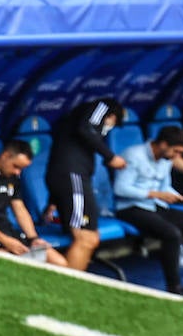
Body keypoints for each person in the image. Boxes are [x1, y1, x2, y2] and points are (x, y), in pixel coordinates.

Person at [113, 127, 183, 296]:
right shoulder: (134, 155)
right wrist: (156, 194)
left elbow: (165, 187)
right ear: (164, 144)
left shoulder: (166, 159)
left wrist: (181, 197)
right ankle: (175, 289)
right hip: (130, 207)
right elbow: (120, 189)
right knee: (172, 234)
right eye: (176, 151)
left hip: (157, 205)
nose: (176, 156)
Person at [46, 99, 127, 272]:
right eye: (114, 123)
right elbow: (85, 129)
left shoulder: (75, 125)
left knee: (91, 237)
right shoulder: (102, 106)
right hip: (73, 177)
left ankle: (68, 282)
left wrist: (52, 202)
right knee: (86, 238)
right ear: (112, 116)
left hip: (71, 179)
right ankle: (67, 287)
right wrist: (110, 156)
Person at [0, 141, 66, 267]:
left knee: (60, 262)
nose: (18, 172)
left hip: (9, 233)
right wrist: (6, 241)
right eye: (16, 166)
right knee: (12, 264)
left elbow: (20, 209)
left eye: (21, 169)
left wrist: (34, 239)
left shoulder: (13, 176)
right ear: (6, 156)